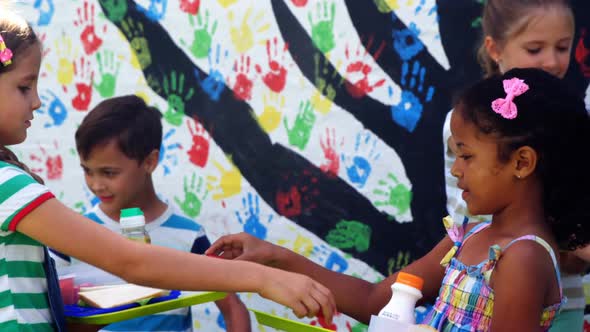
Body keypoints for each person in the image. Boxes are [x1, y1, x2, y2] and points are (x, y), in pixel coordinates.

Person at [0, 8, 336, 331]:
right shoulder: (8, 184)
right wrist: (265, 278)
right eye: (24, 86)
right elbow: (132, 262)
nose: (38, 101)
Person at [207, 68, 590, 331]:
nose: (456, 170)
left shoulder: (523, 258)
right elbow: (373, 298)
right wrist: (276, 257)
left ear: (521, 162)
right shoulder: (468, 238)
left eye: (467, 156)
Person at [442, 1, 588, 330]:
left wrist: (572, 241)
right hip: (482, 296)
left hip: (565, 302)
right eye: (534, 49)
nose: (551, 61)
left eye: (563, 47)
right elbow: (469, 218)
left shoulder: (572, 123)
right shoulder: (465, 124)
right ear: (494, 48)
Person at [49, 95, 251, 332]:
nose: (96, 184)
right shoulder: (73, 234)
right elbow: (51, 310)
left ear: (150, 161)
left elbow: (232, 308)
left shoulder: (188, 236)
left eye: (109, 173)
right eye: (87, 171)